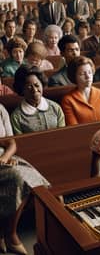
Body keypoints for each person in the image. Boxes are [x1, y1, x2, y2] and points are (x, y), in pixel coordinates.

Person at [0, 104, 49, 255]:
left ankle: (4, 232)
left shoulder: (0, 108)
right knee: (18, 177)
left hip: (4, 158)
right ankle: (11, 235)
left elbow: (11, 142)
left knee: (37, 180)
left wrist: (5, 157)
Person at [11, 65, 65, 134]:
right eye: (29, 87)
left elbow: (63, 135)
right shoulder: (16, 116)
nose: (35, 90)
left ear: (42, 84)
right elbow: (20, 142)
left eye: (37, 85)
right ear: (22, 89)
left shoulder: (55, 108)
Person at [61, 56, 100, 126]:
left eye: (90, 72)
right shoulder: (68, 100)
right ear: (74, 76)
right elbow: (74, 128)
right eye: (82, 74)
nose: (88, 76)